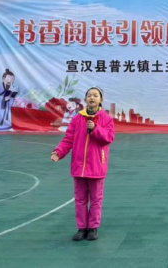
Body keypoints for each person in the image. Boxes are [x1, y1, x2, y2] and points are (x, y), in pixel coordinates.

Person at [51, 87, 115, 241]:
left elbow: (108, 138)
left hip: (97, 166)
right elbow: (69, 139)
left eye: (95, 95)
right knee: (80, 199)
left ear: (101, 100)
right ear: (85, 99)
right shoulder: (77, 119)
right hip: (79, 167)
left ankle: (93, 228)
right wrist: (59, 152)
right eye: (89, 95)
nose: (92, 98)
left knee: (96, 199)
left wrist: (95, 129)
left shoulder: (106, 119)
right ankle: (81, 228)